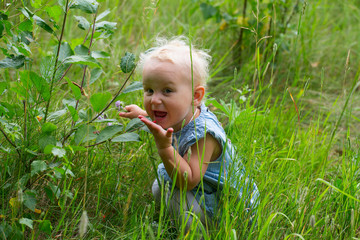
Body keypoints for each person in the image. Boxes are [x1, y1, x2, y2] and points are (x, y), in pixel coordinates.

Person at [119, 36, 259, 235]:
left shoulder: (204, 136)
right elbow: (169, 123)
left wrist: (165, 148)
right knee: (161, 187)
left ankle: (201, 233)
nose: (155, 99)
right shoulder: (181, 113)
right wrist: (142, 115)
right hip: (203, 190)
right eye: (149, 90)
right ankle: (173, 225)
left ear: (196, 97)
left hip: (226, 208)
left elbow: (188, 180)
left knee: (173, 195)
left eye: (167, 91)